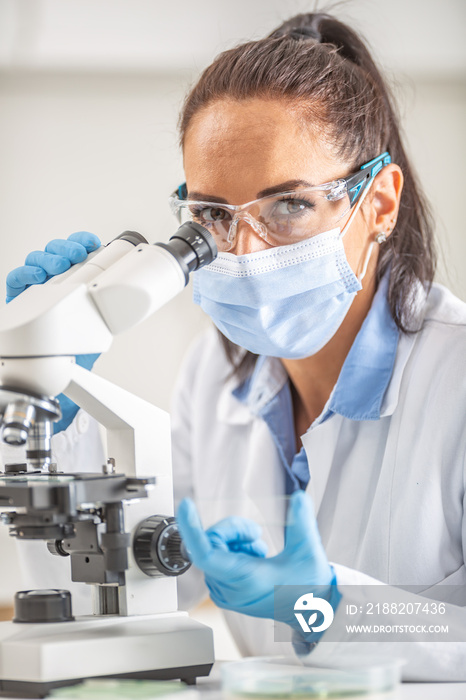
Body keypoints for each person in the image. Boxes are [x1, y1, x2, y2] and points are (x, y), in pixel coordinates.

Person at [4, 12, 466, 681]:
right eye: (214, 215)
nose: (245, 252)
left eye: (288, 206)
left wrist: (324, 606)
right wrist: (57, 402)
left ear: (380, 203)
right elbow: (122, 594)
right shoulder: (213, 378)